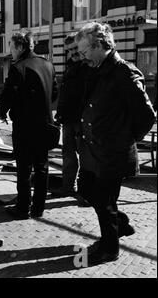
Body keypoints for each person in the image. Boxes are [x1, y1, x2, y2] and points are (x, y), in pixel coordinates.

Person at [75, 22, 156, 265]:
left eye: (85, 51)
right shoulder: (98, 68)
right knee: (88, 191)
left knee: (104, 201)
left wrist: (124, 138)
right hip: (93, 150)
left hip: (112, 152)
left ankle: (110, 248)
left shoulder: (123, 72)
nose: (82, 57)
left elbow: (146, 116)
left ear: (99, 45)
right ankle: (119, 223)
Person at [0, 30, 58, 219]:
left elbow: (9, 93)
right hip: (45, 124)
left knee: (24, 168)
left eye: (12, 47)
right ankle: (39, 207)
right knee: (42, 166)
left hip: (25, 126)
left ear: (20, 47)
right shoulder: (48, 64)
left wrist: (1, 112)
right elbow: (54, 93)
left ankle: (23, 208)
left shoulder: (18, 67)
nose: (11, 52)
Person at [54, 33, 90, 207]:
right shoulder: (70, 66)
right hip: (69, 118)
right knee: (68, 154)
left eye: (75, 49)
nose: (73, 53)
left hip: (83, 119)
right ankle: (68, 186)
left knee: (86, 157)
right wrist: (59, 113)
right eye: (69, 50)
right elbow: (65, 93)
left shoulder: (89, 66)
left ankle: (85, 192)